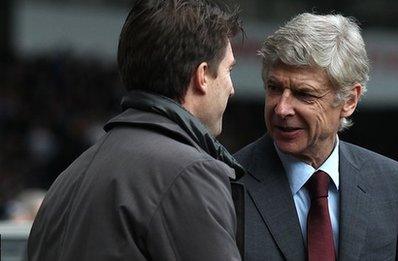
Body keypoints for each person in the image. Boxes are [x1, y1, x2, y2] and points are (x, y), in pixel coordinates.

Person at [27, 0, 244, 260]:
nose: (232, 88)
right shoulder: (189, 174)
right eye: (229, 70)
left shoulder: (67, 179)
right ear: (203, 76)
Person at [234, 13, 398, 260]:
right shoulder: (229, 184)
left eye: (304, 94)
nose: (281, 109)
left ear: (349, 100)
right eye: (274, 88)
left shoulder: (392, 185)